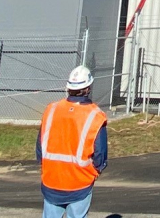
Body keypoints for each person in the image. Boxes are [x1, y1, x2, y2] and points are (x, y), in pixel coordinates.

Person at [37, 66, 107, 218]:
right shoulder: (95, 115)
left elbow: (40, 147)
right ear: (88, 88)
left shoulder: (51, 109)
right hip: (79, 182)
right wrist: (96, 170)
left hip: (51, 180)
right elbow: (100, 154)